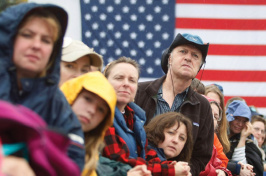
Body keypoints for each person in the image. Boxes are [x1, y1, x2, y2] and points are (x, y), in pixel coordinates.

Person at [0, 2, 85, 170]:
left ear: (53, 51)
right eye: (27, 35)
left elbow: (74, 161)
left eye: (46, 40)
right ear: (9, 38)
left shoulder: (59, 105)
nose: (36, 45)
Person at [135, 33, 214, 175]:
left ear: (200, 67)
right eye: (183, 51)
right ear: (169, 58)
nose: (188, 58)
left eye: (195, 56)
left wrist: (184, 171)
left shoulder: (203, 106)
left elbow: (201, 156)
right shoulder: (139, 91)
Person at [103, 56, 186, 175]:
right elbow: (121, 162)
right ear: (105, 82)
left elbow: (147, 154)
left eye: (132, 80)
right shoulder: (101, 116)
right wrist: (170, 170)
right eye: (119, 78)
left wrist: (169, 165)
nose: (126, 84)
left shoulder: (136, 118)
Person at [61, 71, 151, 176]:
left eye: (100, 109)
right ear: (73, 94)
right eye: (88, 99)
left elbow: (103, 166)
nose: (92, 110)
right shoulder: (41, 131)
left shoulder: (89, 152)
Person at [226, 100, 263, 175]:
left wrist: (243, 138)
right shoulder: (218, 137)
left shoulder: (249, 142)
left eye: (244, 121)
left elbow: (244, 169)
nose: (240, 124)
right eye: (237, 119)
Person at [200, 95, 232, 176]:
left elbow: (222, 161)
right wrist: (215, 171)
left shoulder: (212, 139)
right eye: (209, 113)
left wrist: (223, 172)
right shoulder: (188, 135)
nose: (212, 119)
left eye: (216, 117)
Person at [205, 85, 230, 154]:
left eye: (217, 104)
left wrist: (237, 164)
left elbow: (221, 161)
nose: (213, 106)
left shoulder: (221, 136)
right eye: (209, 101)